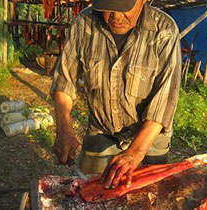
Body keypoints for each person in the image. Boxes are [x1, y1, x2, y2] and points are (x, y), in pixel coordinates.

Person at [51, 0, 182, 189]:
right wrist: (63, 130)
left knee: (146, 198)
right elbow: (65, 81)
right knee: (88, 194)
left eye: (124, 9)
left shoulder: (164, 30)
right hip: (101, 132)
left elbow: (165, 100)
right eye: (108, 8)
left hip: (148, 139)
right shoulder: (85, 23)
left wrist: (135, 152)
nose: (116, 17)